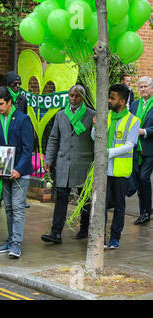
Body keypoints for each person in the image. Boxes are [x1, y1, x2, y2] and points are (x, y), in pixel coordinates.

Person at [41, 85, 95, 244]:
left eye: (77, 96)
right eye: (71, 96)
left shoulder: (92, 115)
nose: (73, 99)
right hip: (63, 162)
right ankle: (55, 232)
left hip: (83, 163)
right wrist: (48, 159)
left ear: (82, 98)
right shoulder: (60, 115)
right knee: (61, 197)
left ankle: (84, 228)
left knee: (85, 198)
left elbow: (96, 140)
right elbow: (53, 139)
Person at [94, 84, 140, 249]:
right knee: (102, 206)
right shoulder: (105, 116)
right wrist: (95, 126)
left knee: (119, 207)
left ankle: (115, 237)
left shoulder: (133, 121)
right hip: (103, 170)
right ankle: (101, 237)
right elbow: (95, 138)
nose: (109, 101)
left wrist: (107, 152)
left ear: (121, 101)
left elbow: (129, 146)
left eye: (112, 98)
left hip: (120, 171)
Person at [0, 86, 33, 259]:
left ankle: (16, 243)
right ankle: (9, 240)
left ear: (9, 102)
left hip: (20, 172)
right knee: (8, 207)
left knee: (17, 207)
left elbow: (27, 149)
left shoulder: (23, 119)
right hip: (4, 171)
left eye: (1, 104)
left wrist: (19, 169)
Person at [130, 76, 153, 225]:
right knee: (139, 181)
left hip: (150, 149)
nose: (143, 89)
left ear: (151, 88)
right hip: (135, 149)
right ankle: (145, 209)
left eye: (145, 86)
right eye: (141, 87)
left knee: (144, 178)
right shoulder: (134, 104)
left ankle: (145, 212)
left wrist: (144, 131)